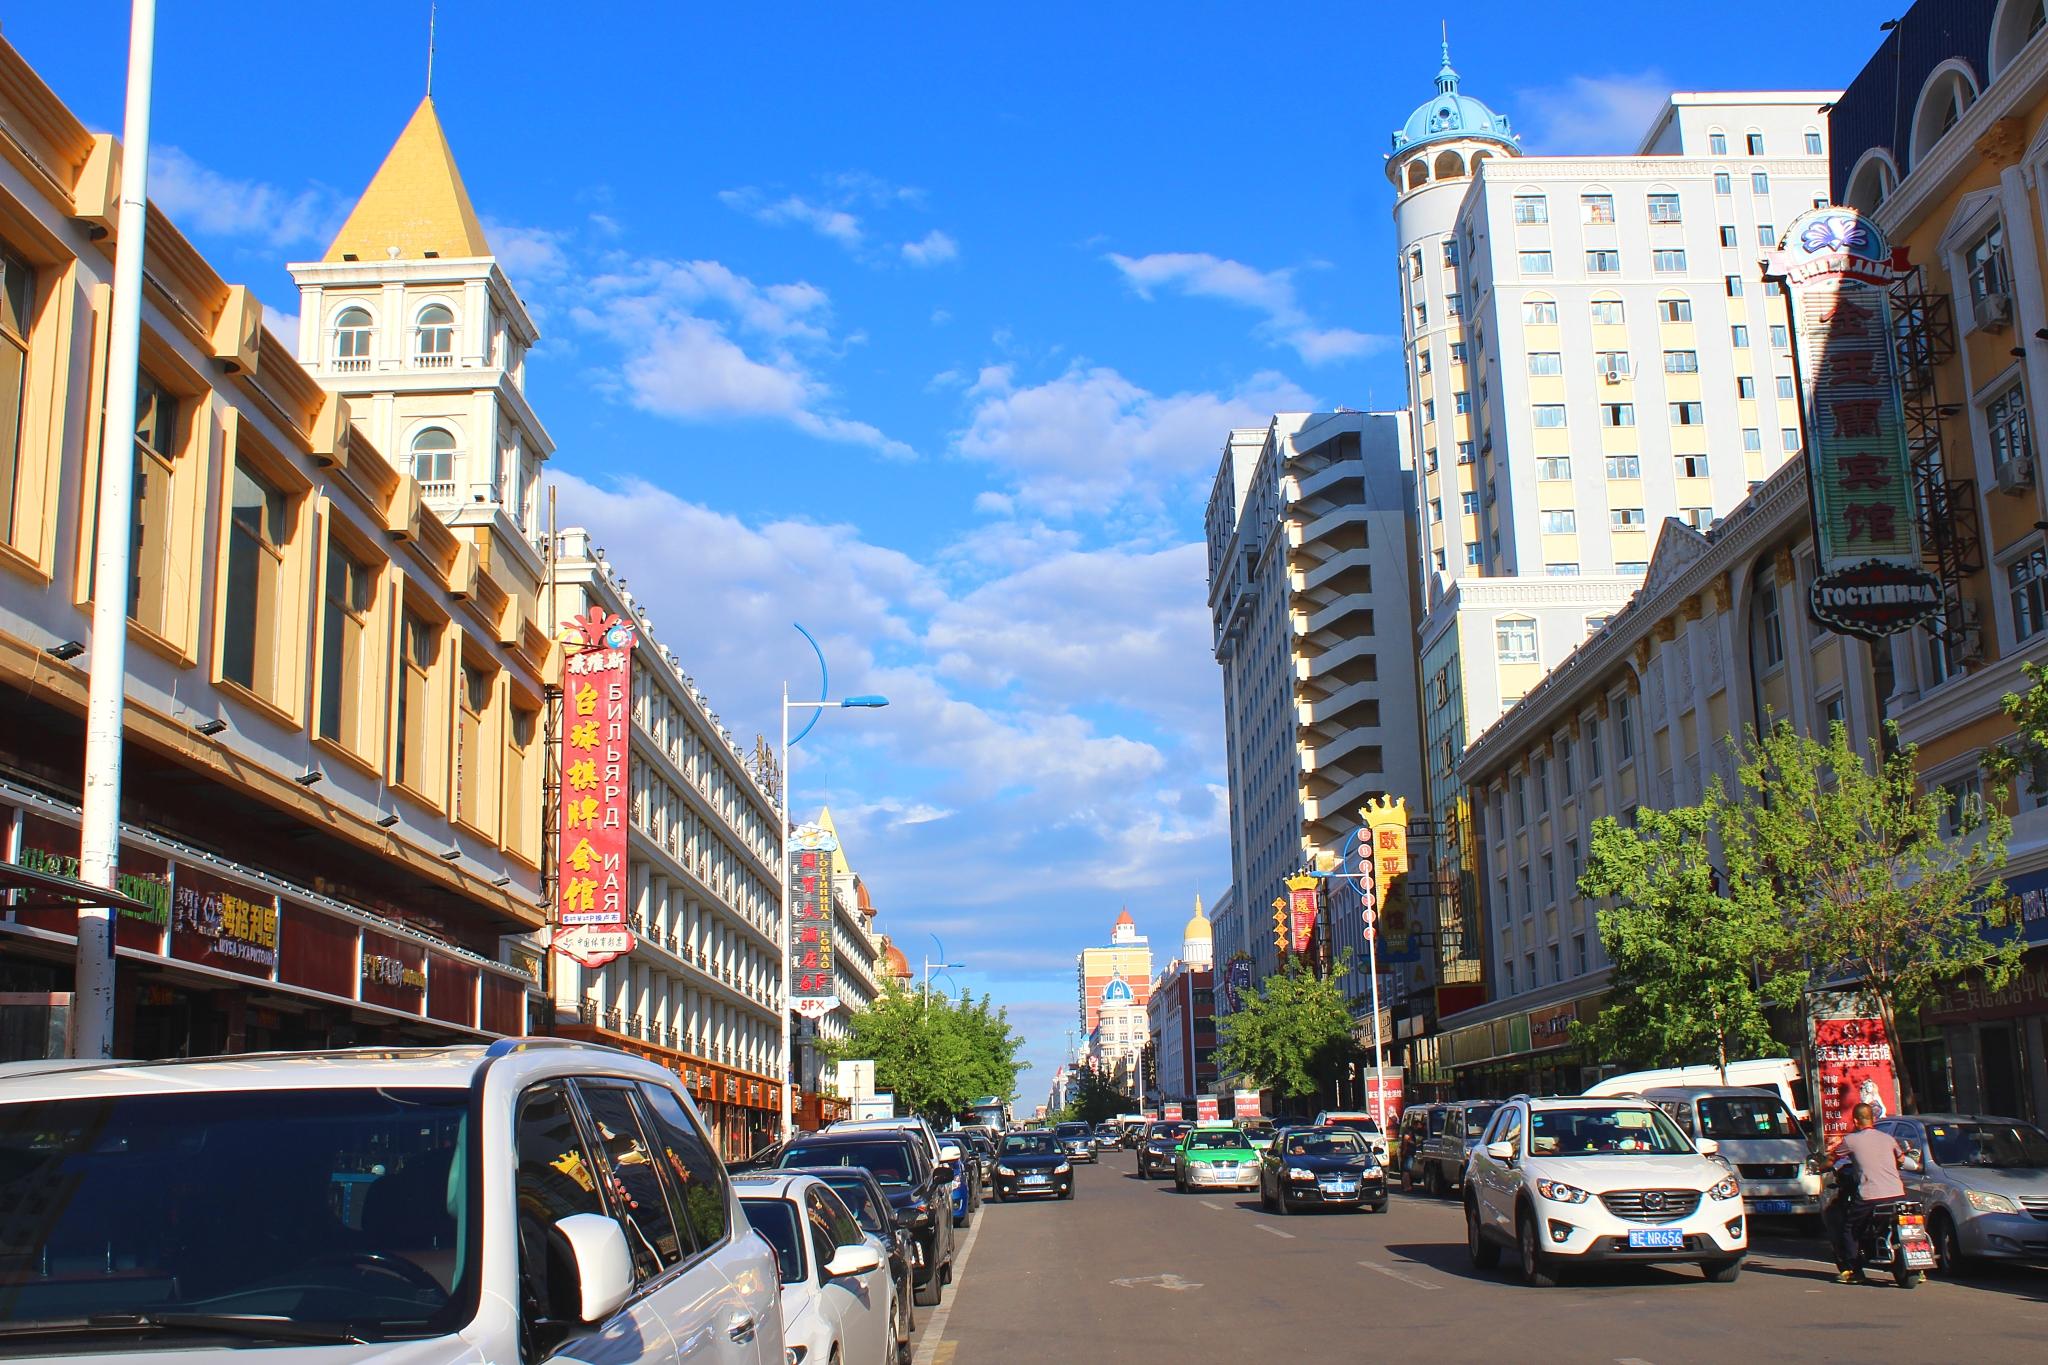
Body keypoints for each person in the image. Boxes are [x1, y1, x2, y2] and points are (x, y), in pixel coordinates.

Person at [1827, 1102, 1908, 1284]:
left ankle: (1855, 1271)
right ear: (1873, 1118)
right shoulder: (1888, 1139)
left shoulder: (1851, 1140)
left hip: (1870, 1196)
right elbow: (1902, 1160)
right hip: (1897, 1193)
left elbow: (1831, 1159)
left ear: (1855, 1121)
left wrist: (1820, 1165)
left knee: (1849, 1229)